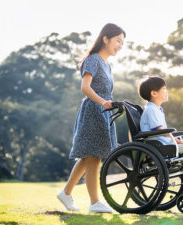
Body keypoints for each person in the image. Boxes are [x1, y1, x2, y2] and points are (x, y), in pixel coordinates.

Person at [57, 23, 125, 213]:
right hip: (93, 111)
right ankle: (95, 202)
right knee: (93, 156)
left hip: (103, 112)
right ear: (105, 38)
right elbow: (85, 87)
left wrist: (108, 103)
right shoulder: (93, 60)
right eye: (117, 41)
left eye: (122, 42)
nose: (120, 45)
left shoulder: (107, 65)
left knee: (90, 156)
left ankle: (66, 193)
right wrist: (103, 102)